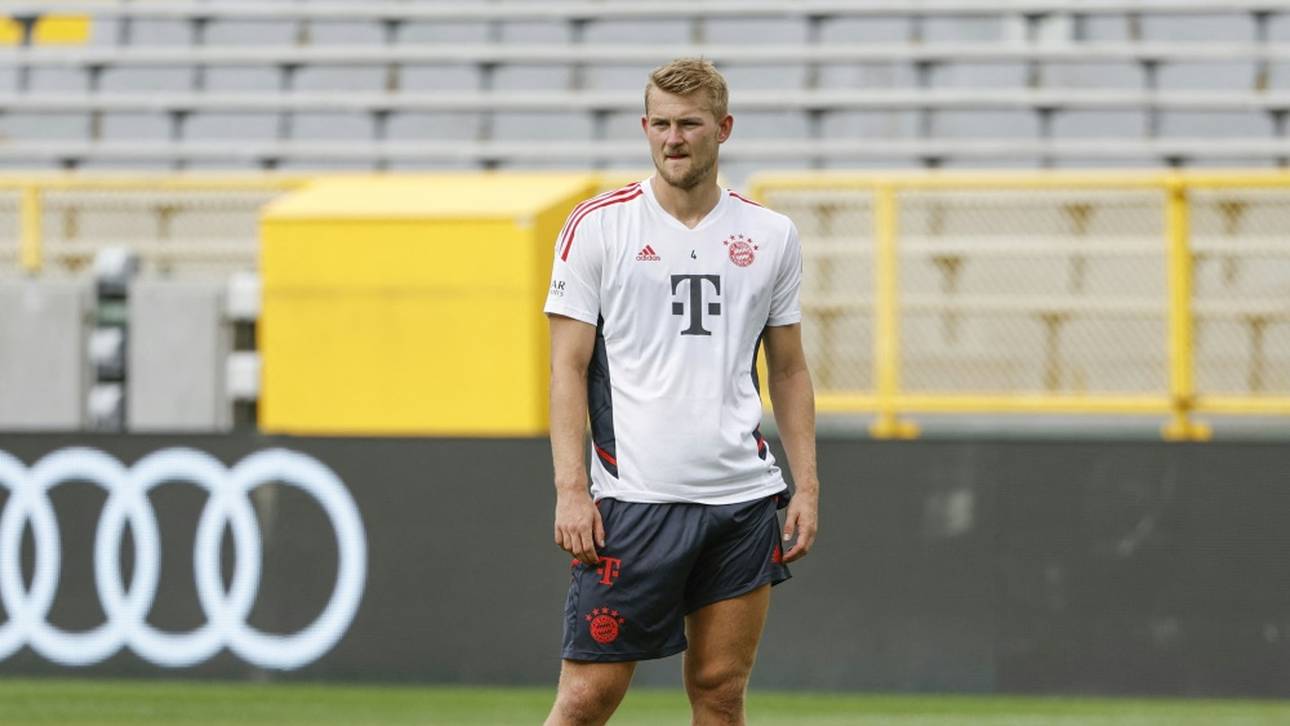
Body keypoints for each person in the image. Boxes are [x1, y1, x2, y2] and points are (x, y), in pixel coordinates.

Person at [542, 57, 819, 726]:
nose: (673, 138)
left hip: (740, 502)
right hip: (634, 501)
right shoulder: (598, 227)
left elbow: (788, 369)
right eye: (660, 124)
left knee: (721, 693)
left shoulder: (770, 234)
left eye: (689, 124)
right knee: (586, 700)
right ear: (644, 128)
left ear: (722, 129)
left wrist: (805, 485)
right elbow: (566, 369)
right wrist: (571, 490)